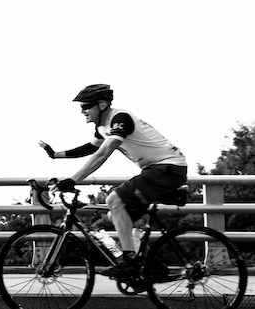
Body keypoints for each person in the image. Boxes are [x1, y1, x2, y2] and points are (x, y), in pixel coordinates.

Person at [40, 83, 188, 276]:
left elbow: (103, 153)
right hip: (158, 170)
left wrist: (73, 180)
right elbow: (90, 148)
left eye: (85, 106)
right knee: (117, 214)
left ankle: (130, 261)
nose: (82, 111)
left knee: (114, 200)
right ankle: (152, 265)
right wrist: (55, 154)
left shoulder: (120, 119)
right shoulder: (103, 127)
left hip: (167, 167)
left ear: (101, 104)